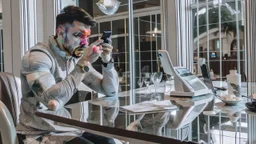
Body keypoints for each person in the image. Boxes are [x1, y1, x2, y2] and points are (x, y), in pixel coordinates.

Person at [16, 5, 119, 144]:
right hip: (37, 134)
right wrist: (83, 64)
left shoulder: (73, 59)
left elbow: (109, 90)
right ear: (60, 32)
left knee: (108, 141)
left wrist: (107, 61)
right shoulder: (37, 57)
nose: (84, 43)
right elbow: (51, 102)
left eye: (86, 37)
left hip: (65, 129)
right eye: (78, 35)